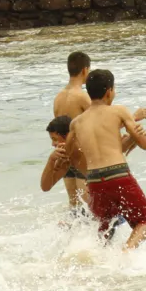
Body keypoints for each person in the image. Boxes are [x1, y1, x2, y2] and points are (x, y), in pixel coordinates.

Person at [66, 69, 146, 250]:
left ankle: (103, 263)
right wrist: (138, 136)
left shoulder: (76, 122)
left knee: (104, 229)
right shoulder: (119, 111)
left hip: (94, 181)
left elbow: (70, 155)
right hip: (119, 176)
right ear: (109, 91)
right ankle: (126, 251)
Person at [53, 51, 93, 208]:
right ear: (85, 70)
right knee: (90, 209)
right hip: (81, 155)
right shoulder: (82, 96)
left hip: (64, 155)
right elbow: (100, 118)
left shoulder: (58, 97)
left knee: (74, 207)